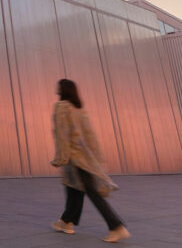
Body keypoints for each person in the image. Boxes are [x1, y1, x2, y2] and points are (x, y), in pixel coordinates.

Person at [50, 79, 131, 243]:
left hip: (74, 158)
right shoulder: (80, 110)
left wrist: (61, 157)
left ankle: (116, 227)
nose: (56, 87)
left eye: (59, 85)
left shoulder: (61, 107)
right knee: (74, 188)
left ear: (63, 89)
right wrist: (96, 159)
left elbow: (62, 135)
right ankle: (66, 221)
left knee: (91, 192)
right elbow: (90, 137)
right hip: (85, 157)